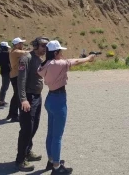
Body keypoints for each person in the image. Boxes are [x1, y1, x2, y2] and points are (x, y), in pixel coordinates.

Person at [37, 40, 95, 174]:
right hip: (58, 100)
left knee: (51, 133)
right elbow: (75, 62)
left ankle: (51, 161)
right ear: (56, 52)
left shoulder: (44, 64)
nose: (62, 53)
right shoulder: (58, 64)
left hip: (50, 98)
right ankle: (57, 168)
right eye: (60, 51)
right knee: (57, 136)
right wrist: (88, 58)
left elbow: (63, 62)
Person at [15, 37, 49, 172]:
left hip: (36, 96)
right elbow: (21, 81)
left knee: (34, 126)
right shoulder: (26, 59)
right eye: (43, 46)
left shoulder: (39, 59)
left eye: (46, 46)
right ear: (35, 46)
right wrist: (23, 99)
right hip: (27, 98)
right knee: (26, 129)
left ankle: (27, 151)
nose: (45, 49)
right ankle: (20, 159)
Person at [7, 37, 29, 122]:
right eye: (20, 43)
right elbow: (27, 53)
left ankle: (12, 113)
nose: (22, 44)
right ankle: (15, 115)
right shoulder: (16, 52)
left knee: (16, 95)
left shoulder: (14, 51)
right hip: (16, 75)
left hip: (15, 75)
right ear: (16, 44)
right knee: (19, 95)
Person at [0, 41, 11, 107]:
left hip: (3, 70)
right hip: (7, 71)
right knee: (5, 86)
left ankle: (2, 100)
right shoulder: (6, 53)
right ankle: (2, 101)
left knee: (4, 86)